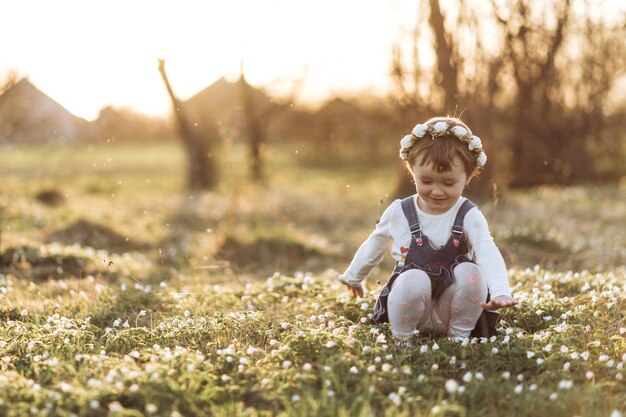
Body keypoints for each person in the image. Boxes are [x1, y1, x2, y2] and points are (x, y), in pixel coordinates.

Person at [336, 117, 517, 341]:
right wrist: (353, 277)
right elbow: (375, 244)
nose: (437, 191)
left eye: (448, 183)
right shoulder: (400, 212)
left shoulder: (469, 215)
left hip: (452, 311)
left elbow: (487, 250)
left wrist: (500, 291)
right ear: (413, 172)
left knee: (472, 274)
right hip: (408, 309)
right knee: (414, 278)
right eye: (426, 181)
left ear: (468, 177)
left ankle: (459, 337)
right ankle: (403, 339)